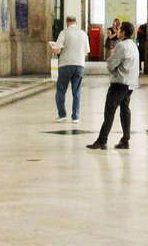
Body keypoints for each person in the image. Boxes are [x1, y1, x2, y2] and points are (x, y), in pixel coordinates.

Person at [88, 21, 138, 149]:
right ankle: (125, 140)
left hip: (119, 83)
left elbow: (111, 64)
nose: (118, 31)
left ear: (124, 32)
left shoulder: (121, 46)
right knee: (125, 111)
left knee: (109, 112)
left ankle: (102, 140)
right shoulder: (133, 45)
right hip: (130, 83)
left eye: (120, 29)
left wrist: (113, 69)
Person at [52, 15, 89, 122]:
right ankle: (75, 117)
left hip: (65, 65)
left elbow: (58, 50)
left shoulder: (64, 33)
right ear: (75, 22)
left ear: (67, 22)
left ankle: (62, 115)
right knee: (76, 91)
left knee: (61, 90)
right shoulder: (83, 34)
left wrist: (53, 47)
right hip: (79, 65)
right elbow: (86, 52)